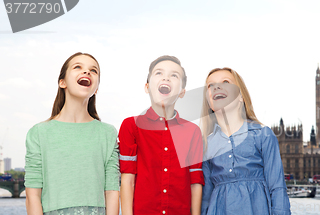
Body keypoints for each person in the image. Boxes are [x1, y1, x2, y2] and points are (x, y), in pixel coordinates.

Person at [24, 52, 120, 215]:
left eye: (93, 70)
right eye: (78, 67)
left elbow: (111, 192)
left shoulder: (107, 133)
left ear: (96, 88)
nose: (87, 72)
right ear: (62, 82)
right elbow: (32, 195)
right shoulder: (38, 133)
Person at [119, 55, 204, 215]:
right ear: (147, 87)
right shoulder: (131, 126)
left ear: (182, 92)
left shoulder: (192, 131)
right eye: (159, 73)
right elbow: (127, 179)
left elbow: (195, 181)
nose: (166, 77)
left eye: (174, 75)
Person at [200, 67, 291, 215]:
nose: (217, 87)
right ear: (209, 102)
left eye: (225, 82)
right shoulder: (206, 145)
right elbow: (206, 197)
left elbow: (277, 187)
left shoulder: (263, 135)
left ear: (241, 96)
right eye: (210, 85)